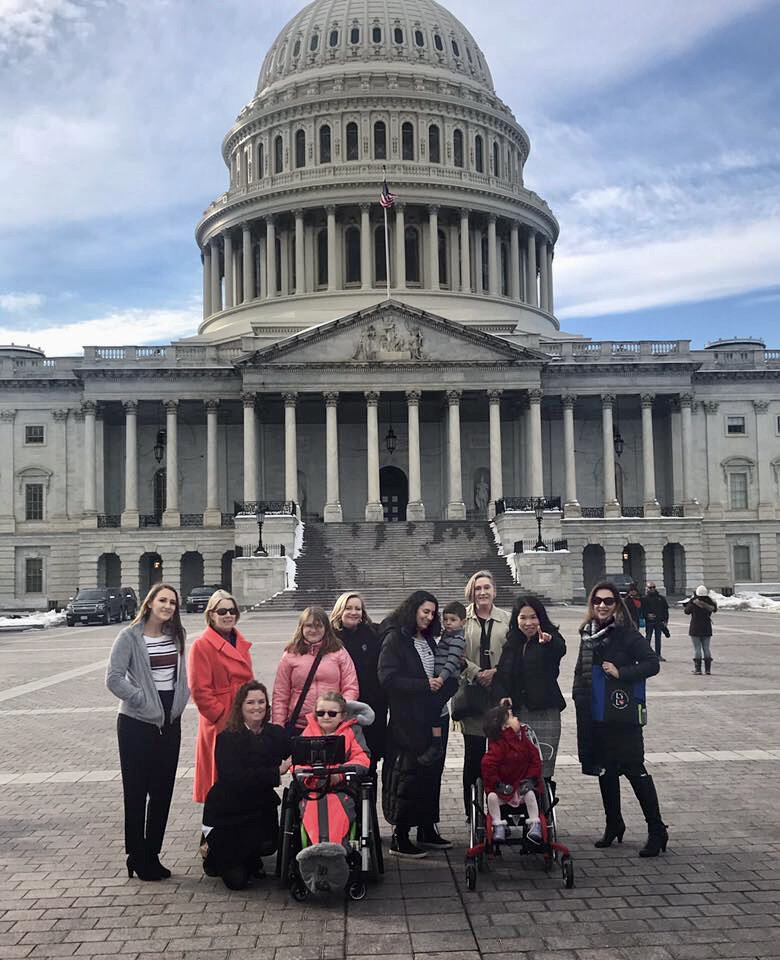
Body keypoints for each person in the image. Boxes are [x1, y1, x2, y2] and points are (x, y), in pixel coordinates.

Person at [573, 581, 668, 857]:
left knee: (634, 769)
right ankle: (614, 823)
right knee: (605, 770)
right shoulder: (587, 633)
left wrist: (620, 672)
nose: (602, 606)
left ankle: (657, 829)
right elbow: (581, 671)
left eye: (608, 601)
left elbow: (652, 664)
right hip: (595, 712)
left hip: (622, 715)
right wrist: (580, 700)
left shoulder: (628, 635)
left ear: (617, 605)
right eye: (597, 601)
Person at [106, 583, 189, 881]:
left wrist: (180, 699)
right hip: (136, 722)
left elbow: (179, 674)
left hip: (170, 717)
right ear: (150, 602)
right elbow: (113, 678)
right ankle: (136, 855)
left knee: (163, 790)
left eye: (172, 602)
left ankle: (152, 853)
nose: (168, 606)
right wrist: (141, 698)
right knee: (137, 791)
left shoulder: (176, 635)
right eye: (163, 600)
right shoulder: (129, 636)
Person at [378, 590, 456, 857]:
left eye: (433, 613)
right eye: (425, 611)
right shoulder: (395, 639)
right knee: (407, 776)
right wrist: (424, 686)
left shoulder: (430, 640)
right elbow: (387, 679)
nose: (429, 617)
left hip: (436, 717)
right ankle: (400, 835)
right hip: (408, 721)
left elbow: (440, 675)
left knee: (432, 774)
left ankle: (426, 828)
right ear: (412, 610)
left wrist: (444, 688)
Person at [201, 681, 292, 890]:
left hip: (258, 807)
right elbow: (235, 779)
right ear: (240, 707)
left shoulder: (274, 733)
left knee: (269, 843)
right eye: (250, 702)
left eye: (261, 702)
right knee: (237, 882)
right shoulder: (227, 738)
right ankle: (214, 851)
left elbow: (295, 746)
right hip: (229, 810)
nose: (257, 707)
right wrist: (275, 771)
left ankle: (250, 857)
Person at [293, 692, 372, 894]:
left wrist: (341, 772)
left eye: (331, 713)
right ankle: (319, 851)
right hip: (314, 789)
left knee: (336, 805)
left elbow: (362, 758)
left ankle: (334, 850)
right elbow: (297, 764)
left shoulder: (351, 732)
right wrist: (311, 776)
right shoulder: (308, 732)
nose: (326, 717)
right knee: (314, 804)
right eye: (321, 713)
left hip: (341, 788)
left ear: (342, 715)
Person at [188, 590, 253, 803]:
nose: (228, 615)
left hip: (244, 716)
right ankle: (215, 831)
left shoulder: (241, 643)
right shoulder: (201, 645)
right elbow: (200, 691)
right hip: (220, 722)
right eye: (222, 611)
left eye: (232, 610)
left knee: (242, 776)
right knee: (219, 780)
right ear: (211, 615)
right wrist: (222, 718)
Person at [494, 595, 566, 780]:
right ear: (516, 619)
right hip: (518, 714)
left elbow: (560, 650)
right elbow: (502, 674)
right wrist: (503, 696)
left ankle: (544, 806)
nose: (528, 623)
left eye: (533, 617)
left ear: (540, 618)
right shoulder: (512, 642)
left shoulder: (549, 640)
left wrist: (549, 642)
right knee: (518, 767)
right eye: (523, 617)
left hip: (545, 712)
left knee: (543, 768)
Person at [458, 570, 511, 816]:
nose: (482, 592)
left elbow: (513, 653)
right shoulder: (461, 619)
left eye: (486, 588)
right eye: (478, 588)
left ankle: (502, 804)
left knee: (503, 751)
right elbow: (455, 653)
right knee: (474, 754)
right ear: (472, 592)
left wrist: (497, 671)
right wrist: (478, 672)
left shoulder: (507, 619)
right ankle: (473, 809)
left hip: (499, 693)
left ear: (494, 591)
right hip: (473, 693)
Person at [272, 606, 359, 732]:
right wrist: (278, 727)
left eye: (318, 626)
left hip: (331, 724)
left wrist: (338, 712)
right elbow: (280, 694)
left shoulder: (339, 652)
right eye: (308, 626)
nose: (313, 630)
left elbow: (351, 686)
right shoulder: (290, 654)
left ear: (326, 628)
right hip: (299, 724)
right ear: (301, 627)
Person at [330, 593, 387, 770]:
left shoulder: (373, 633)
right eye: (348, 608)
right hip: (342, 707)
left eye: (357, 608)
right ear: (340, 610)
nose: (353, 612)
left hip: (372, 706)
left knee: (370, 757)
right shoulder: (330, 637)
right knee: (343, 757)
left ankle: (368, 796)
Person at [481, 704, 543, 843]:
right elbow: (488, 765)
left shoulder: (523, 739)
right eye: (512, 717)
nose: (517, 718)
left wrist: (531, 779)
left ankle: (534, 823)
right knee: (491, 797)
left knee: (531, 794)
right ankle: (498, 825)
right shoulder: (499, 745)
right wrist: (497, 784)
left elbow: (535, 760)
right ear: (504, 727)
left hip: (521, 785)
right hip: (503, 789)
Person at [418, 600, 467, 766]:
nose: (448, 623)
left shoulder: (458, 639)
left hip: (448, 680)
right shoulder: (447, 635)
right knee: (434, 706)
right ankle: (435, 742)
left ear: (463, 622)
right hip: (443, 679)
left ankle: (436, 743)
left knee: (434, 705)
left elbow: (452, 662)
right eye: (446, 620)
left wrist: (440, 678)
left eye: (453, 620)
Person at [684, 585, 717, 675]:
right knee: (706, 648)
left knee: (697, 648)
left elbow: (686, 611)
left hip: (695, 627)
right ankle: (708, 669)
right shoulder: (710, 601)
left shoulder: (694, 601)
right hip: (706, 627)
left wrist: (691, 602)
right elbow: (714, 609)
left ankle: (698, 669)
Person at [642, 583, 669, 662]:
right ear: (647, 588)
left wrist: (666, 620)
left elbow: (665, 610)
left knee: (658, 639)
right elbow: (642, 611)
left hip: (659, 621)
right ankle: (646, 655)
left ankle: (658, 655)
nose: (652, 589)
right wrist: (647, 615)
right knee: (648, 638)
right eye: (650, 587)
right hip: (649, 622)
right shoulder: (644, 599)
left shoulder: (661, 598)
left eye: (654, 587)